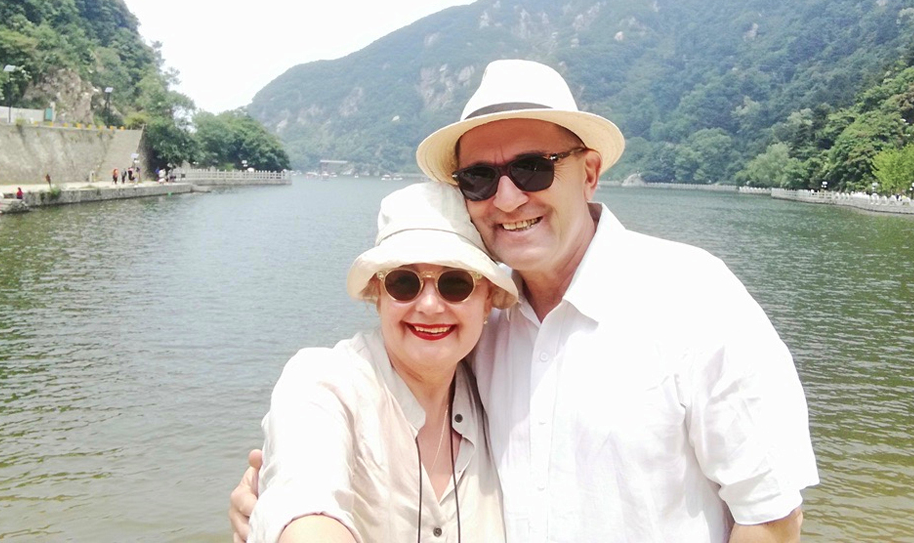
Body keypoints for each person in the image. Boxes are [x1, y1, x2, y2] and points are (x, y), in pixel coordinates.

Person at [232, 59, 818, 542]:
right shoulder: (483, 328)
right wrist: (276, 507)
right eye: (479, 178)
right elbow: (327, 447)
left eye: (533, 168)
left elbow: (770, 515)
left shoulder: (694, 297)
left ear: (589, 172)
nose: (508, 198)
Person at [246, 181, 516, 543]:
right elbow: (304, 499)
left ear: (487, 300)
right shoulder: (323, 382)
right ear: (378, 293)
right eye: (404, 283)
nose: (429, 306)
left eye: (456, 283)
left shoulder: (502, 389)